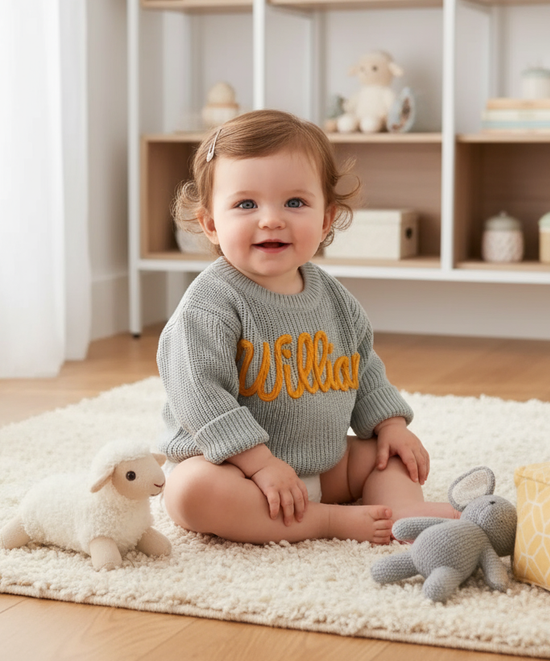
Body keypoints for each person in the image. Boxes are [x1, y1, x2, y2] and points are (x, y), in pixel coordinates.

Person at [158, 109, 458, 545]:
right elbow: (200, 398)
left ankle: (402, 512)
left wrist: (391, 425)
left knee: (386, 456)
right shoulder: (210, 305)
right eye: (246, 204)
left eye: (294, 202)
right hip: (235, 470)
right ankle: (326, 522)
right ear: (210, 224)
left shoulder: (333, 297)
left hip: (323, 463)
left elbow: (362, 368)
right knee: (190, 492)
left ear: (325, 219)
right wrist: (260, 463)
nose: (271, 219)